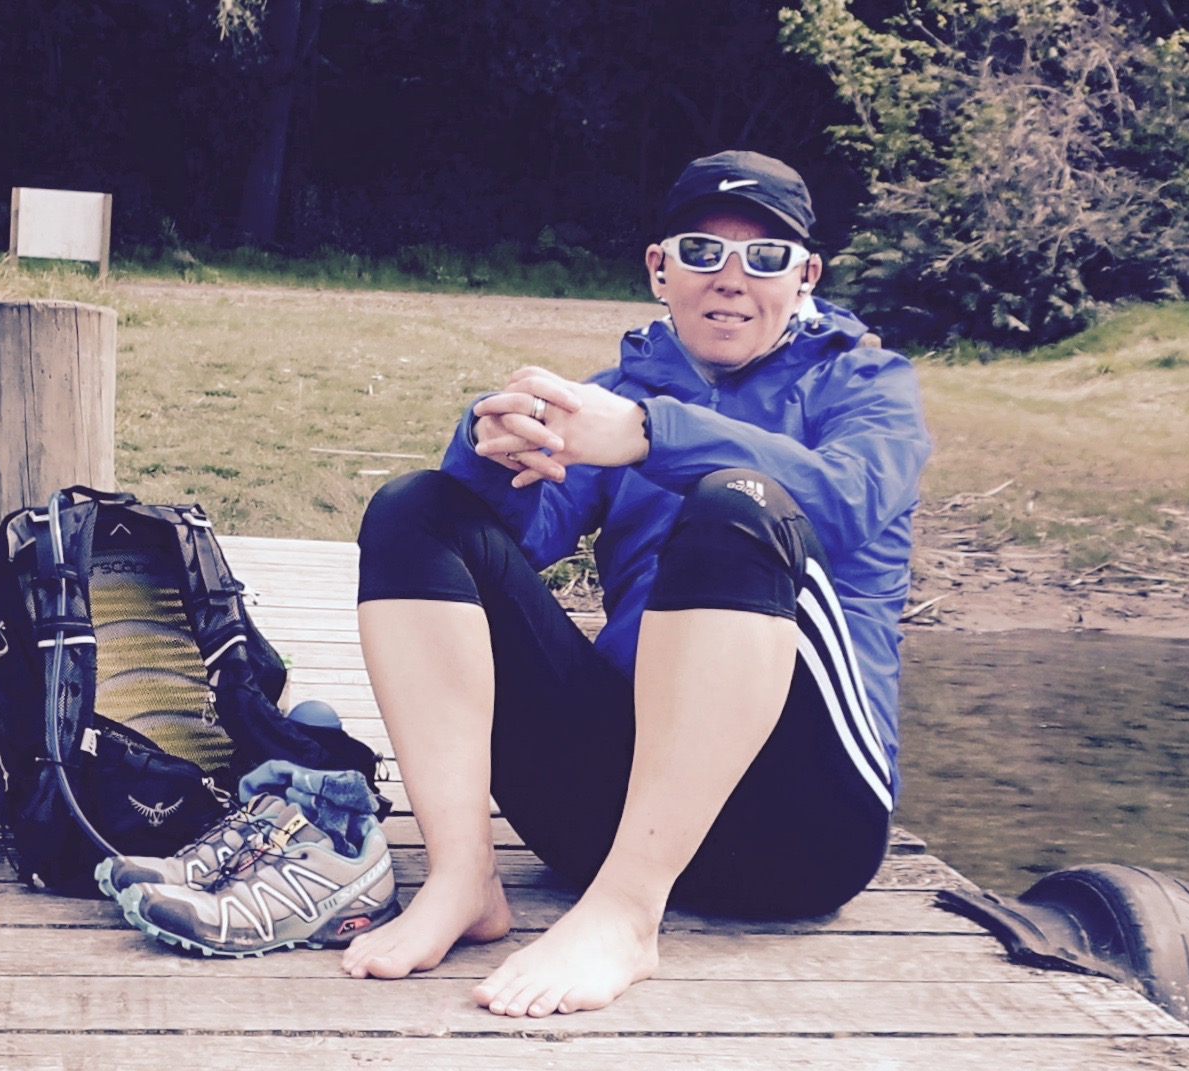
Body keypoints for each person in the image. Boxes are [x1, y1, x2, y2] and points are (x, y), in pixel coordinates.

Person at [338, 150, 932, 1018]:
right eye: (701, 252)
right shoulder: (613, 397)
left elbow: (845, 504)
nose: (730, 278)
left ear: (804, 277)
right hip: (600, 824)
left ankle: (624, 918)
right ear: (659, 269)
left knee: (736, 503)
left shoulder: (869, 385)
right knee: (416, 509)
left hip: (801, 833)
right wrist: (490, 451)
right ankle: (462, 879)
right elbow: (521, 540)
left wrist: (654, 435)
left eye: (764, 257)